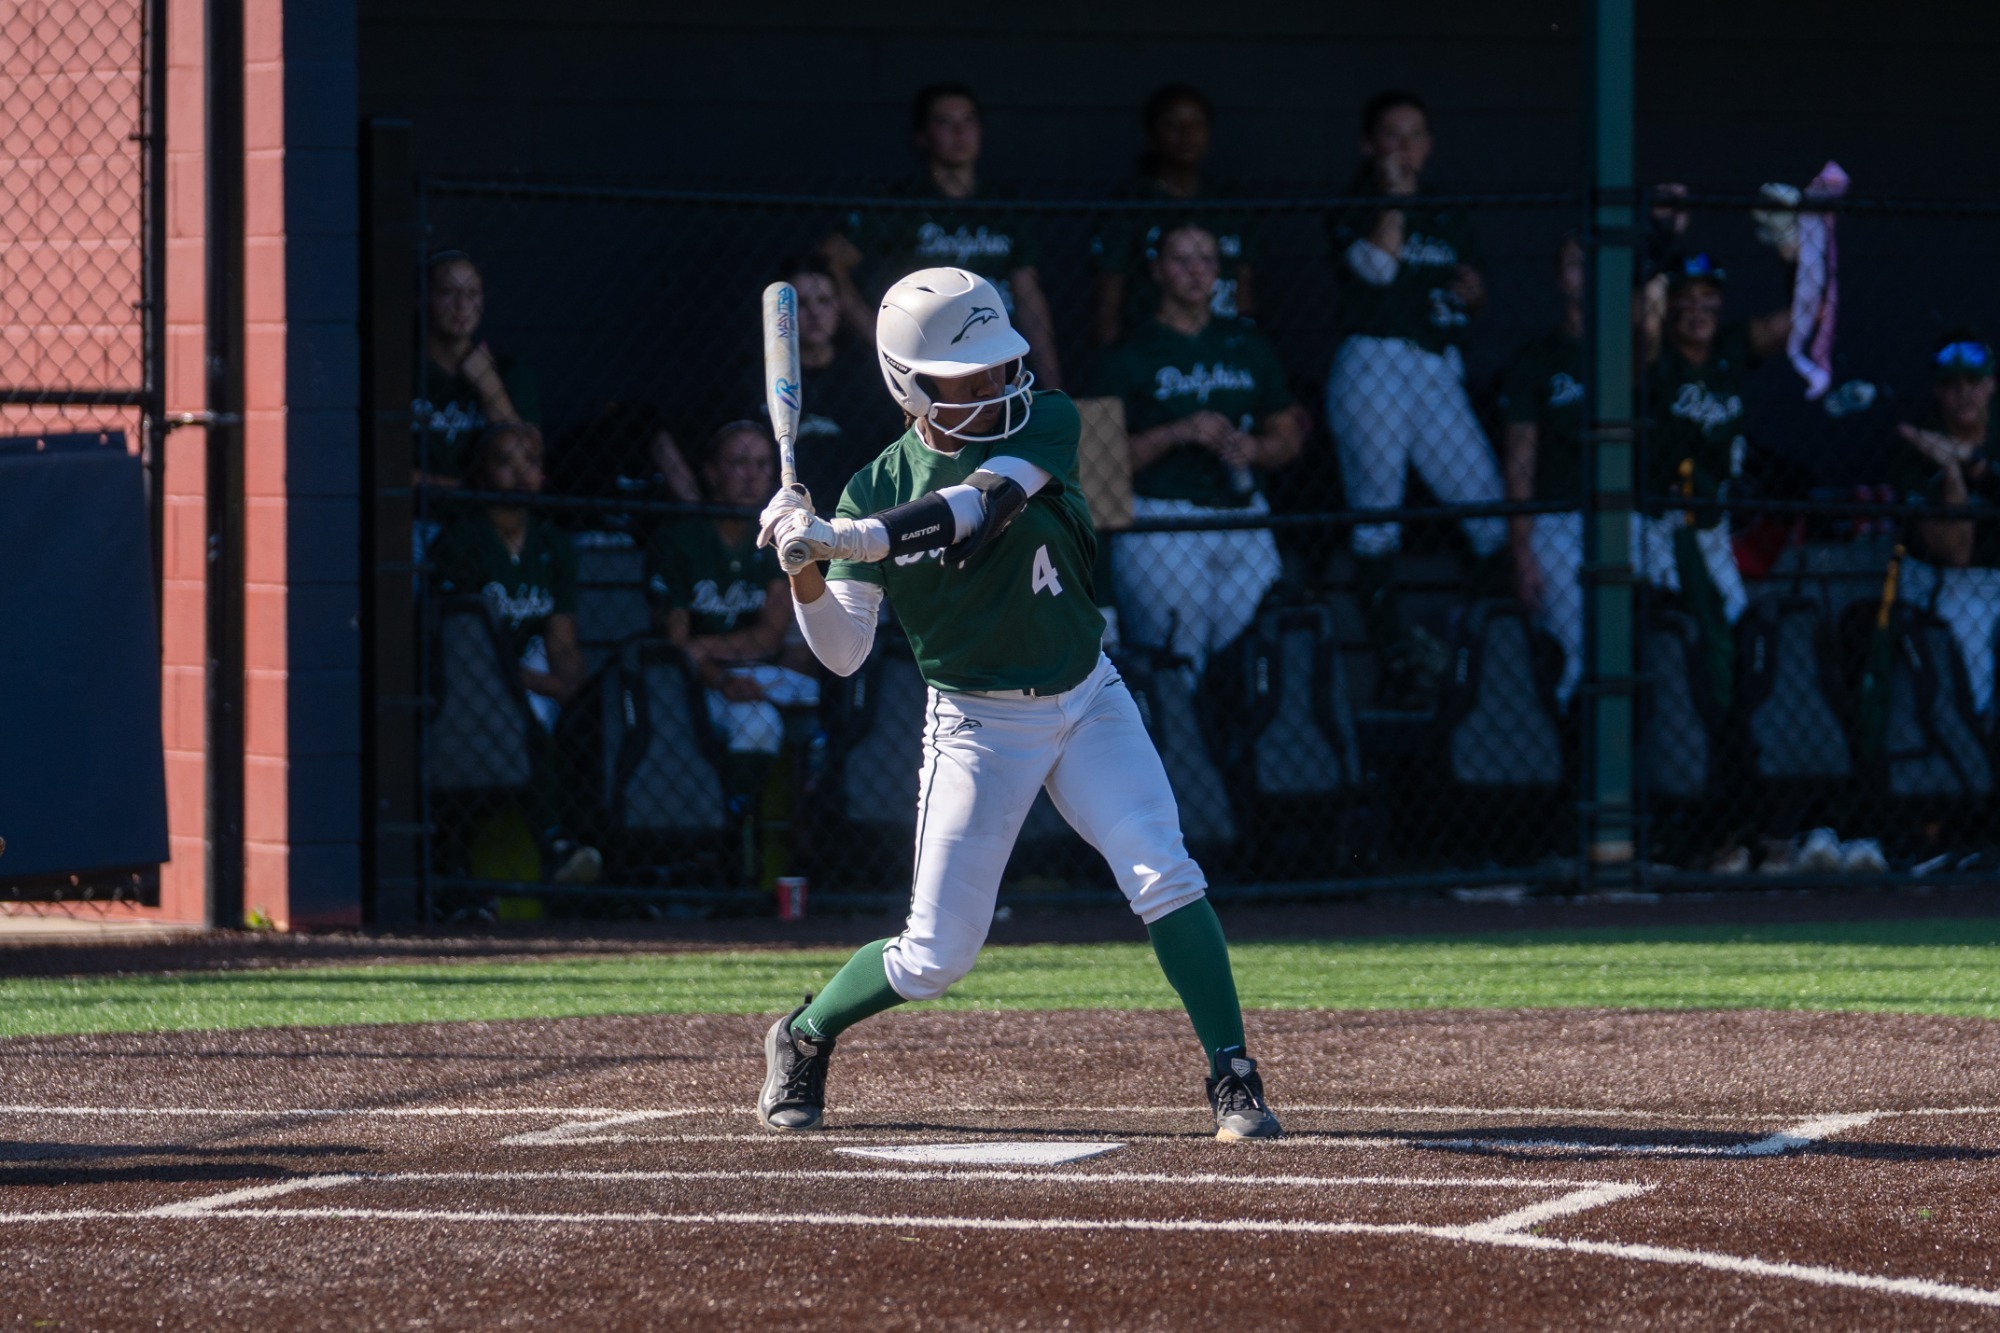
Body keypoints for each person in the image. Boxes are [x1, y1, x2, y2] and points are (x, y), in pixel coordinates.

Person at [752, 266, 1280, 1142]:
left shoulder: (1048, 420)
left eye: (1001, 363)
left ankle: (1233, 1071)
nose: (998, 382)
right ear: (912, 386)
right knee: (934, 956)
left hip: (1087, 696)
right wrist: (804, 563)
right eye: (971, 376)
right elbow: (842, 653)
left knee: (1164, 870)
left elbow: (978, 505)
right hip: (977, 726)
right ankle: (805, 1032)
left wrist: (846, 538)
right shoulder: (873, 486)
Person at [1323, 91, 1506, 704]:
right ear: (1369, 145)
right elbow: (1377, 269)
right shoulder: (1356, 203)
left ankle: (1474, 645)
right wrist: (1394, 198)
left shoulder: (1446, 211)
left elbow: (1466, 295)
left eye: (1415, 135)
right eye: (1391, 135)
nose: (1404, 148)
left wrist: (1474, 296)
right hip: (1373, 363)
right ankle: (1393, 657)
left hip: (1436, 370)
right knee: (1377, 521)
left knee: (1491, 515)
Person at [1092, 222, 1304, 667]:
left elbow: (1288, 434)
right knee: (1178, 662)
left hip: (1243, 516)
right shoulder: (1129, 352)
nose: (1196, 271)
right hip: (1163, 519)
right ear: (1157, 270)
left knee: (1251, 656)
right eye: (1182, 260)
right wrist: (1178, 433)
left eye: (1206, 260)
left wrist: (1255, 449)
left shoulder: (1245, 344)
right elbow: (1097, 469)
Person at [430, 422, 599, 883]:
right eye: (506, 462)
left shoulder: (551, 542)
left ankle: (587, 847)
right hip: (472, 683)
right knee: (528, 719)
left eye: (531, 461)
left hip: (530, 665)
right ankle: (554, 844)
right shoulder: (460, 542)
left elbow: (561, 636)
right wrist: (547, 684)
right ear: (482, 472)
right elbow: (466, 652)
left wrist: (570, 682)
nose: (521, 473)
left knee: (585, 717)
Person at [823, 83, 1063, 391]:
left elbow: (1028, 294)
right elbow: (829, 260)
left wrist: (1052, 381)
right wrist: (882, 340)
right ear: (922, 136)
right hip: (926, 360)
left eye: (968, 120)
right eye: (944, 122)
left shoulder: (1004, 205)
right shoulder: (901, 202)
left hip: (997, 352)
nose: (959, 132)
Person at [646, 420, 818, 803]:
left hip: (759, 673)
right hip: (693, 680)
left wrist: (703, 647)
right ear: (711, 472)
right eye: (738, 463)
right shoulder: (681, 540)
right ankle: (735, 822)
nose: (751, 476)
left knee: (827, 700)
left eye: (761, 464)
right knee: (758, 723)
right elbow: (677, 646)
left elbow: (769, 636)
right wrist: (719, 677)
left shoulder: (777, 537)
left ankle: (804, 818)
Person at [1637, 251, 1793, 634]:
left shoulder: (1730, 346)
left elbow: (1801, 319)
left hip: (1712, 520)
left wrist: (1795, 259)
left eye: (1707, 296)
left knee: (1734, 616)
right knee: (1677, 619)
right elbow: (1645, 327)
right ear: (1668, 304)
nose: (1698, 309)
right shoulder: (1655, 353)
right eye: (1685, 297)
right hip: (1660, 519)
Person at [1091, 83, 1256, 346]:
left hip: (1222, 342)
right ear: (1152, 134)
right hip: (1150, 346)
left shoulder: (1229, 202)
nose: (1186, 134)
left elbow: (1243, 284)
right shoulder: (1131, 205)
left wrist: (1244, 339)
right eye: (1173, 124)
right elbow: (1110, 293)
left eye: (1196, 124)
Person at [1892, 331, 2000, 716]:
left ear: (1992, 384)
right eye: (1952, 384)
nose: (1964, 393)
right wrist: (1953, 471)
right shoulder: (1917, 446)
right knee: (1965, 618)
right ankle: (1975, 732)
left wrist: (1972, 460)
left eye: (1974, 381)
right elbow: (1954, 553)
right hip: (1945, 580)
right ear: (1938, 391)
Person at [755, 255, 904, 506]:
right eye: (802, 303)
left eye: (823, 301)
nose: (814, 312)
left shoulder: (868, 379)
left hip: (855, 512)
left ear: (839, 306)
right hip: (782, 508)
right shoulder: (759, 379)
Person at [414, 250, 541, 486]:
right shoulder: (401, 373)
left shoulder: (509, 371)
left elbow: (528, 475)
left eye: (472, 293)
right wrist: (466, 489)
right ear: (422, 299)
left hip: (487, 509)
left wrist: (489, 386)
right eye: (447, 292)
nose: (462, 305)